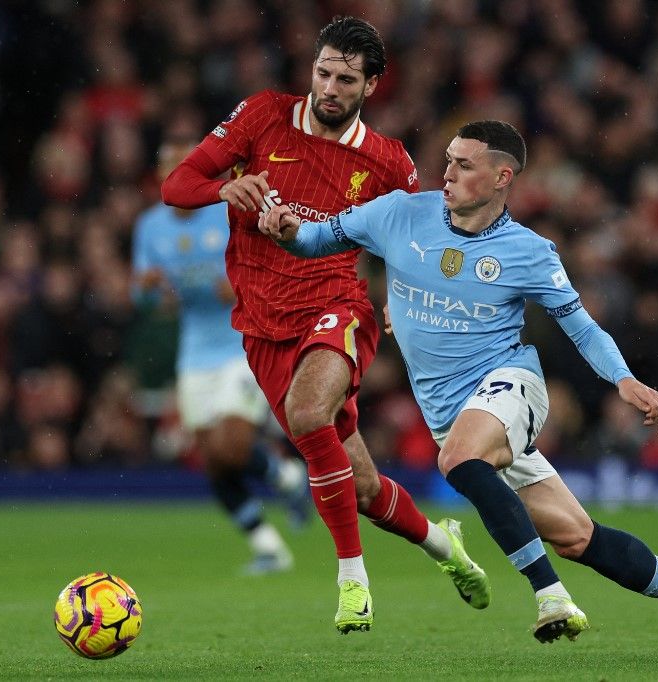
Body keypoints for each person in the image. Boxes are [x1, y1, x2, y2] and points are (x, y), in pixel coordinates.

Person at [260, 120, 658, 662]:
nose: (447, 173)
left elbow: (583, 328)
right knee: (578, 538)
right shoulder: (397, 214)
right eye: (448, 160)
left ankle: (551, 598)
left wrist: (625, 380)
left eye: (463, 164)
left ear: (502, 177)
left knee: (457, 459)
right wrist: (286, 229)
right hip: (451, 413)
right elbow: (315, 239)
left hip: (510, 386)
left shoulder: (529, 252)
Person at [161, 16, 489, 633]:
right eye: (322, 72)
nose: (329, 88)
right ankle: (444, 547)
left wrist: (408, 294)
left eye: (345, 78)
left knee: (310, 416)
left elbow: (424, 240)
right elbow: (176, 184)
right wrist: (223, 192)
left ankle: (352, 582)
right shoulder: (262, 116)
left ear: (371, 86)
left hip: (338, 306)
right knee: (361, 487)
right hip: (263, 326)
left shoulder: (388, 162)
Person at [133, 138, 311, 576]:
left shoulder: (227, 212)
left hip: (239, 343)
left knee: (232, 443)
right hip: (194, 352)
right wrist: (152, 292)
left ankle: (287, 478)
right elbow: (142, 296)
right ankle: (270, 540)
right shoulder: (150, 227)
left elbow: (271, 263)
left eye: (185, 166)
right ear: (161, 178)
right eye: (169, 167)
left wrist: (241, 286)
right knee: (212, 458)